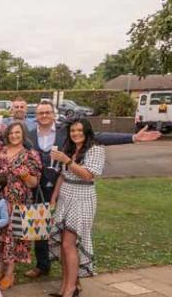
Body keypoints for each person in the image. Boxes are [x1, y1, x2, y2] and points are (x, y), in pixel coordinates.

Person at [25, 100, 162, 278]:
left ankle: (69, 272)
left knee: (66, 231)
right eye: (40, 113)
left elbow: (98, 136)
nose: (44, 116)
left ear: (53, 114)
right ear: (36, 116)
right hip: (38, 187)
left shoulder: (65, 131)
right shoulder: (29, 134)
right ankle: (42, 265)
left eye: (47, 112)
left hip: (64, 188)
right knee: (40, 226)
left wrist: (132, 138)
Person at [0, 121, 41, 290]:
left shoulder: (30, 154)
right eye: (11, 133)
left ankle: (10, 273)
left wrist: (25, 175)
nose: (14, 136)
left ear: (23, 134)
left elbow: (34, 183)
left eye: (17, 133)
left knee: (12, 238)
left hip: (18, 203)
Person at [49, 118, 105, 297]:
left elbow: (88, 175)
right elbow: (63, 175)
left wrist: (66, 160)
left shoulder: (96, 149)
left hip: (82, 198)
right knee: (66, 246)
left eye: (79, 130)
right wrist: (54, 196)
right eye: (73, 131)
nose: (76, 134)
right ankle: (66, 284)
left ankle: (73, 288)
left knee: (68, 244)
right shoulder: (71, 148)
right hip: (65, 197)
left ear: (87, 131)